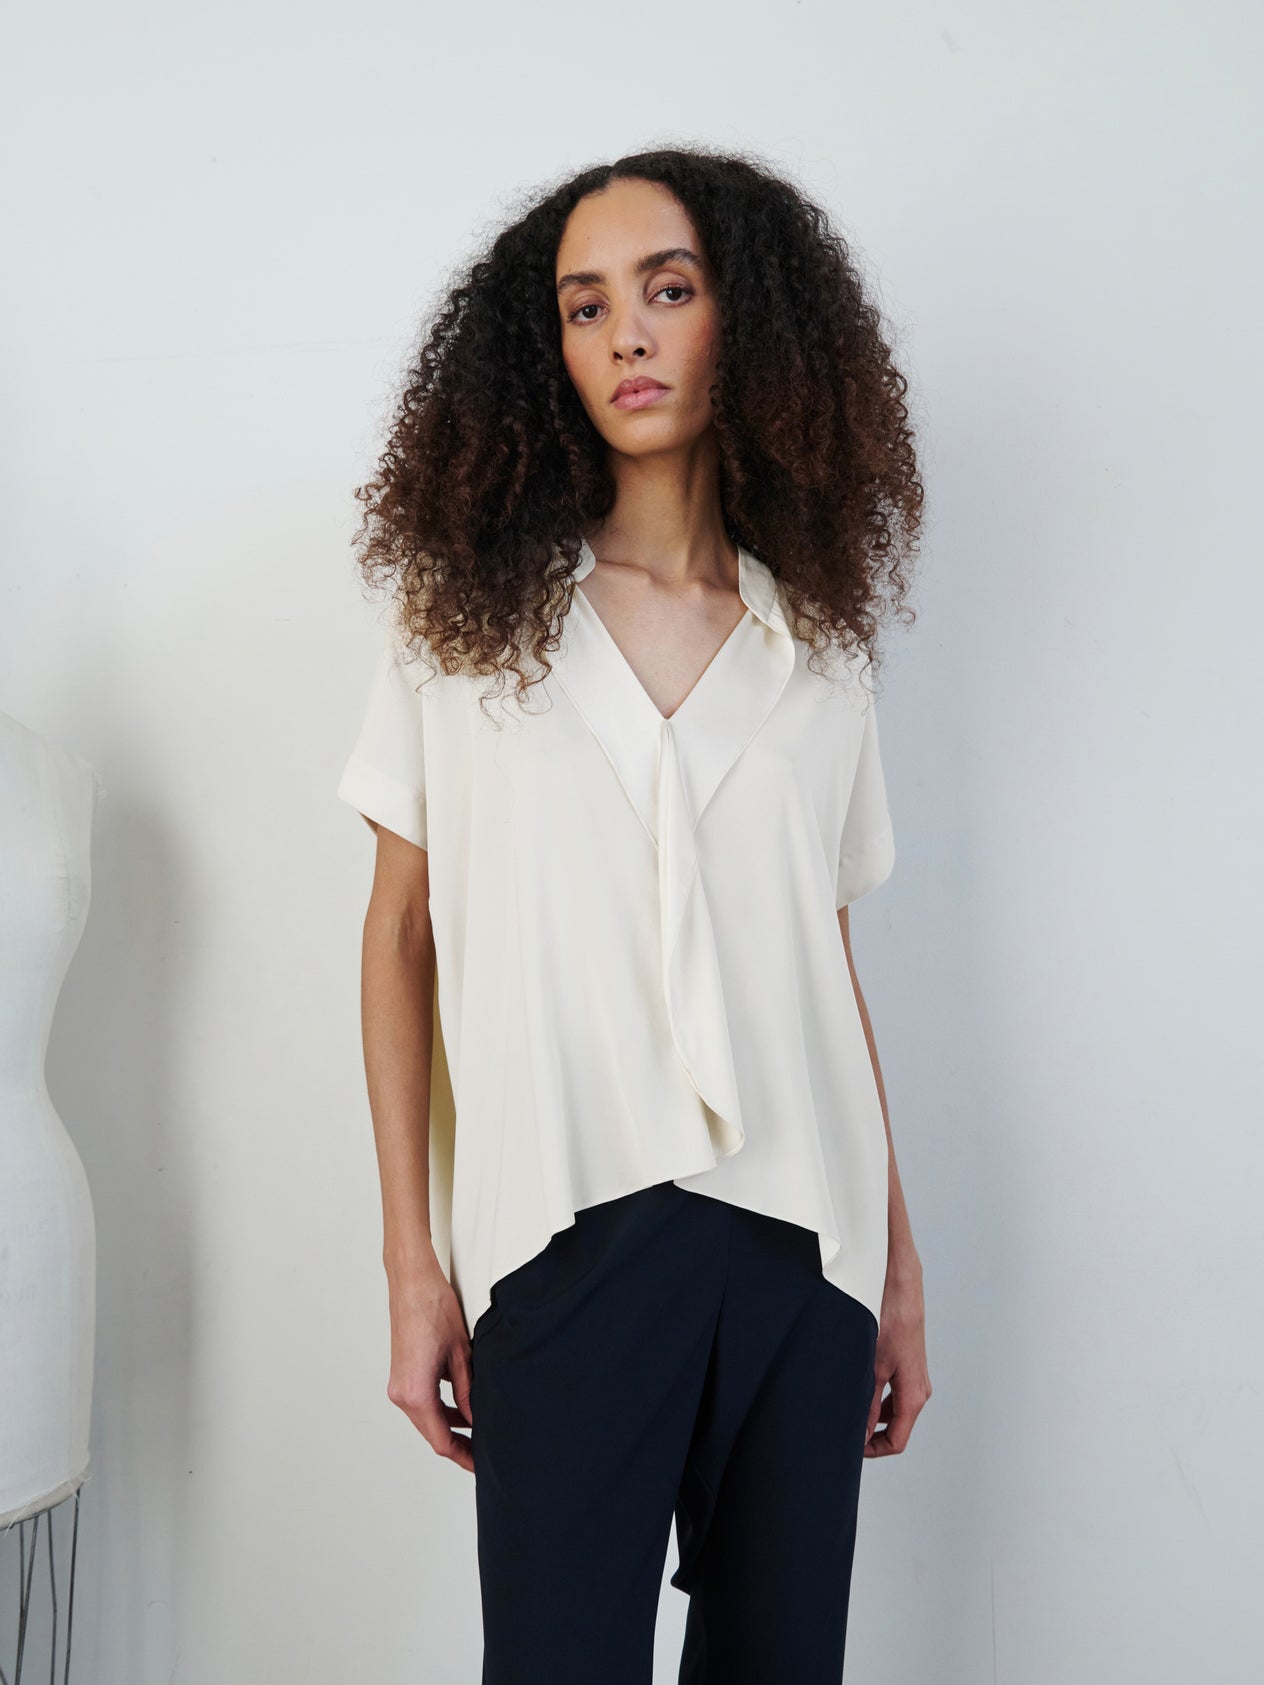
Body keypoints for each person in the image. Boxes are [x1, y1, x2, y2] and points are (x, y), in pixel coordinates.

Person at [338, 144, 931, 1684]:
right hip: (566, 1235)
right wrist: (413, 1262)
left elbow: (827, 961)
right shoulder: (467, 622)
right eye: (586, 306)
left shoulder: (820, 652)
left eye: (668, 290)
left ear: (750, 320)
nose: (628, 336)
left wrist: (897, 1266)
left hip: (804, 1253)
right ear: (547, 348)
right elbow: (399, 936)